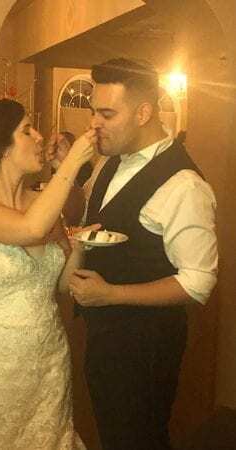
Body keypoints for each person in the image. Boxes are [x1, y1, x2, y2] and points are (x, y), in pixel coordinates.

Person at [69, 58, 218, 450]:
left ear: (143, 112)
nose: (93, 124)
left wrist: (112, 295)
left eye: (106, 113)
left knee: (140, 438)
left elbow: (199, 281)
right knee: (114, 432)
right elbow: (95, 219)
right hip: (104, 336)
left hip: (146, 345)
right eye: (92, 112)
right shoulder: (107, 161)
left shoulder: (184, 184)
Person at [0, 99, 98, 449]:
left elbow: (61, 285)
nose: (40, 137)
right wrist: (73, 162)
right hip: (0, 362)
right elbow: (30, 230)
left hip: (51, 354)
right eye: (27, 130)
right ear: (3, 147)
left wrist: (80, 246)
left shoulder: (41, 201)